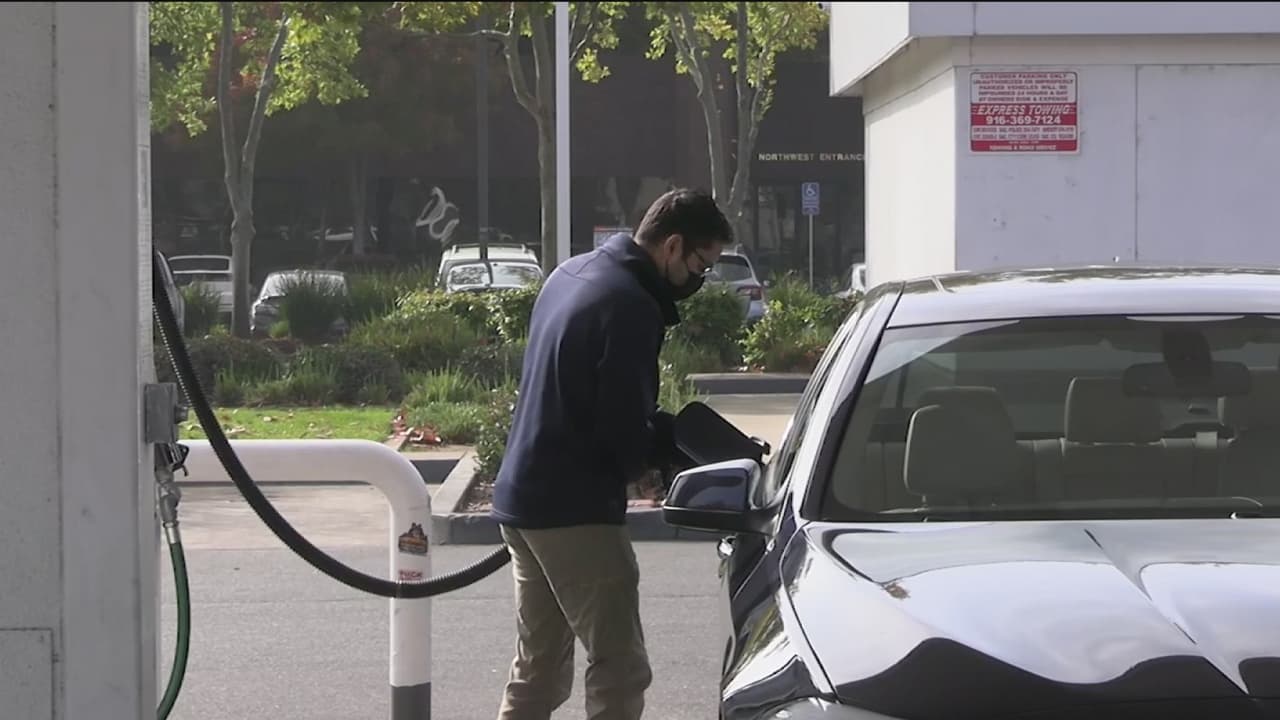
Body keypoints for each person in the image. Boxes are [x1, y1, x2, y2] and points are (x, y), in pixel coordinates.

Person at [490, 188, 733, 720]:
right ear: (672, 246)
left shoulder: (570, 273)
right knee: (620, 667)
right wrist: (647, 470)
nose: (701, 278)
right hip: (575, 509)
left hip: (523, 497)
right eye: (702, 264)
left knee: (538, 669)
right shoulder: (630, 304)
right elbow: (621, 414)